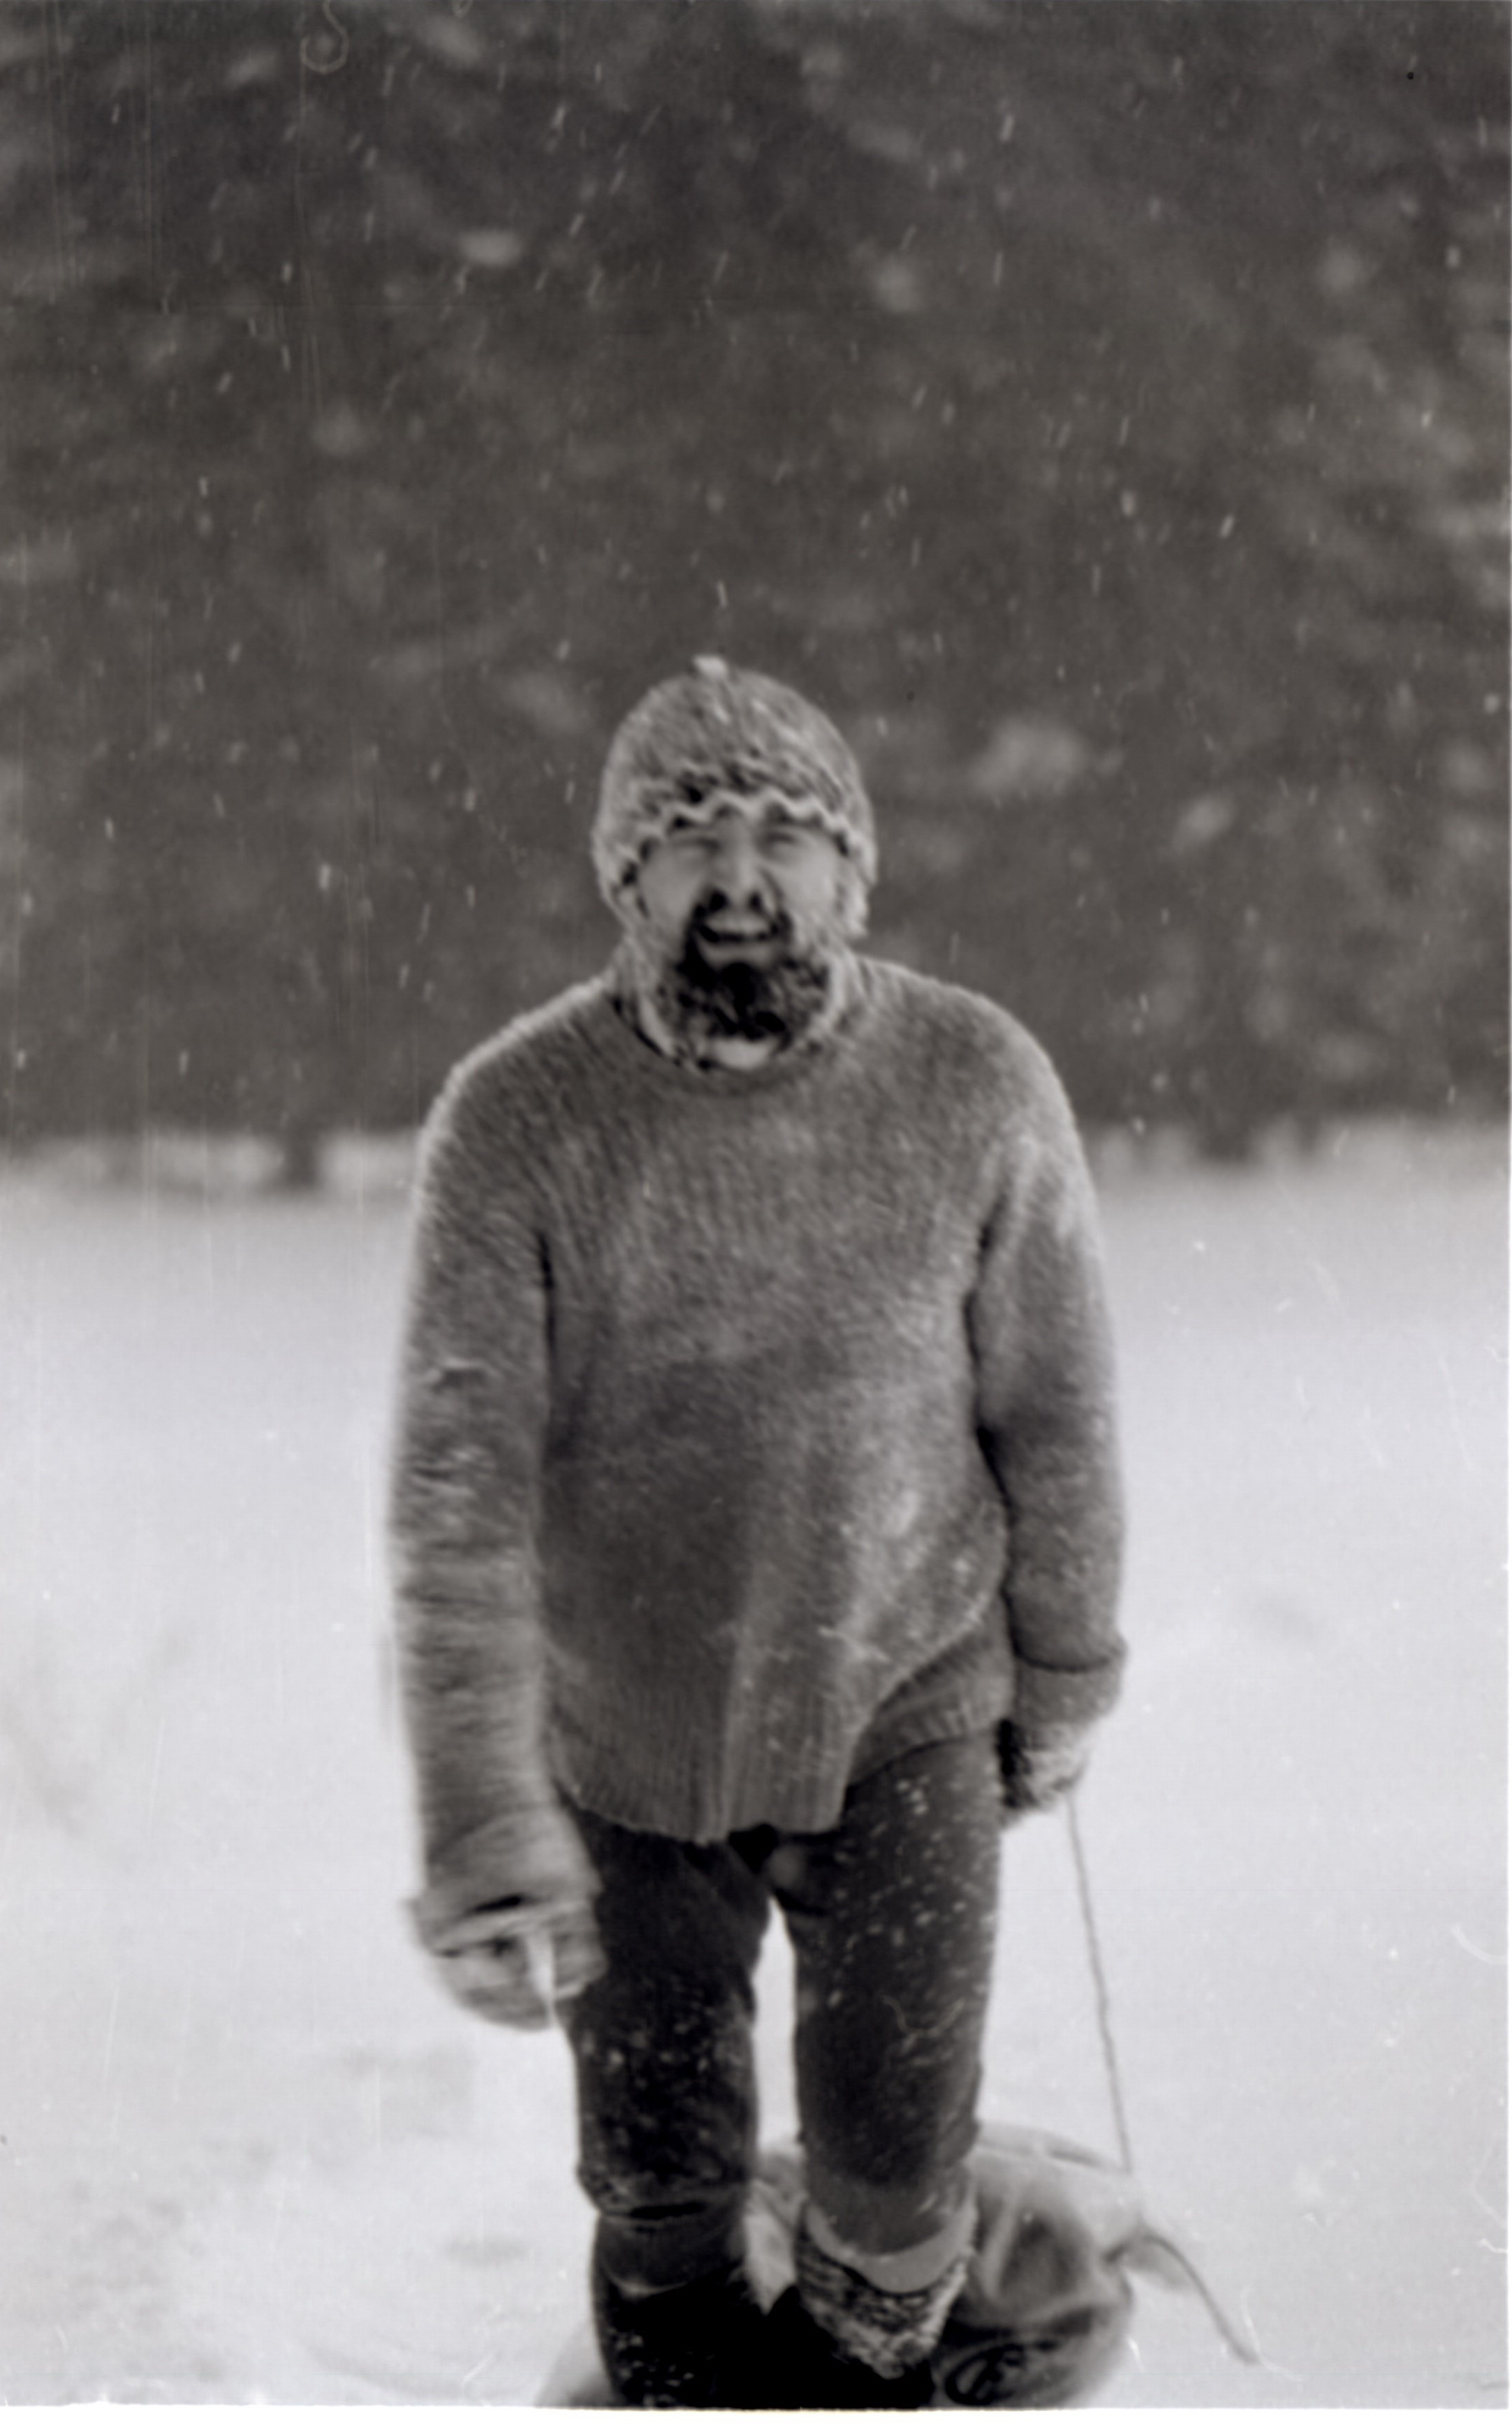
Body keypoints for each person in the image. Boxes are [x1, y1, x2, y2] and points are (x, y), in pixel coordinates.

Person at [389, 656, 1126, 2407]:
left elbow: (1056, 1408)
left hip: (907, 1697)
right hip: (622, 1735)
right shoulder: (517, 1118)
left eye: (784, 837)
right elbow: (460, 1499)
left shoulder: (972, 1077)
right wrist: (484, 1820)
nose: (739, 877)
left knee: (893, 2168)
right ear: (624, 877)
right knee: (656, 2178)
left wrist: (1066, 1670)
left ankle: (860, 2369)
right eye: (690, 838)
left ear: (848, 869)